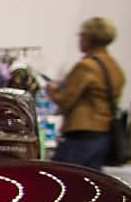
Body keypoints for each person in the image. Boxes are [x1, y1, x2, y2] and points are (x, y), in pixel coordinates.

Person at [48, 17, 126, 170]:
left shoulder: (86, 66)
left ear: (88, 38)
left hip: (80, 134)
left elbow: (65, 100)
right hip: (103, 135)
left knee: (65, 176)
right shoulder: (114, 66)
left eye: (81, 35)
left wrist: (52, 90)